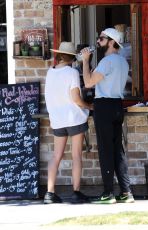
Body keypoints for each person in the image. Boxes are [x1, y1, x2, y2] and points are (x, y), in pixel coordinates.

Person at [81, 28, 134, 204]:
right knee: (118, 150)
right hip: (117, 106)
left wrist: (85, 61)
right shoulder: (123, 62)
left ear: (112, 42)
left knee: (105, 151)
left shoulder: (107, 61)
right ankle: (126, 192)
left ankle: (108, 194)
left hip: (104, 106)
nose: (98, 42)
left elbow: (88, 83)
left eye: (101, 39)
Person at [44, 42, 93, 204]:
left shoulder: (50, 73)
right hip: (73, 118)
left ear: (58, 55)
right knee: (76, 155)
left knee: (56, 155)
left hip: (57, 119)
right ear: (72, 57)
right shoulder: (71, 72)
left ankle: (49, 193)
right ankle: (76, 192)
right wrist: (89, 106)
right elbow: (76, 99)